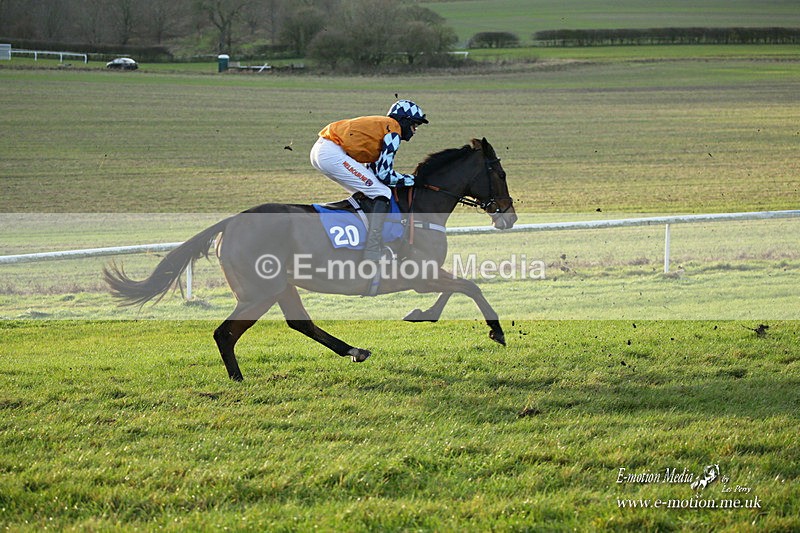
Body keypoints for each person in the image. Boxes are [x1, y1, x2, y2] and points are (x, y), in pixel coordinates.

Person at [310, 99, 428, 262]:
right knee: (382, 192)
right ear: (404, 121)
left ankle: (363, 238)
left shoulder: (382, 128)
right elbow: (385, 175)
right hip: (331, 153)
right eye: (414, 125)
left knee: (369, 192)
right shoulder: (393, 131)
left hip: (323, 151)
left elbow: (375, 173)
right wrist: (414, 180)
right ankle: (373, 250)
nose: (414, 131)